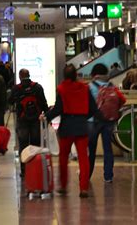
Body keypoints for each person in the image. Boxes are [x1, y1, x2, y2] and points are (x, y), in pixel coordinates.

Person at [40, 64, 97, 198]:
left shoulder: (62, 89)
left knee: (63, 158)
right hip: (82, 126)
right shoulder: (85, 88)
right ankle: (83, 188)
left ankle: (63, 186)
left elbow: (58, 109)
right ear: (76, 75)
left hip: (66, 127)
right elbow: (93, 108)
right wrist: (83, 116)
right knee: (83, 158)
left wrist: (46, 116)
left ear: (64, 76)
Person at [87, 64, 126, 183]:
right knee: (108, 149)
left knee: (91, 150)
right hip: (109, 120)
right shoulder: (111, 86)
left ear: (94, 73)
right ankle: (108, 176)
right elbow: (123, 100)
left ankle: (87, 175)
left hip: (93, 121)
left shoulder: (90, 86)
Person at [9, 68, 48, 177]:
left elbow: (10, 101)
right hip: (35, 119)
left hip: (22, 120)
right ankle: (35, 168)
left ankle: (24, 169)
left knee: (23, 144)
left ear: (20, 77)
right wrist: (47, 115)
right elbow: (43, 103)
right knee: (35, 144)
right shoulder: (37, 87)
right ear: (29, 75)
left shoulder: (17, 88)